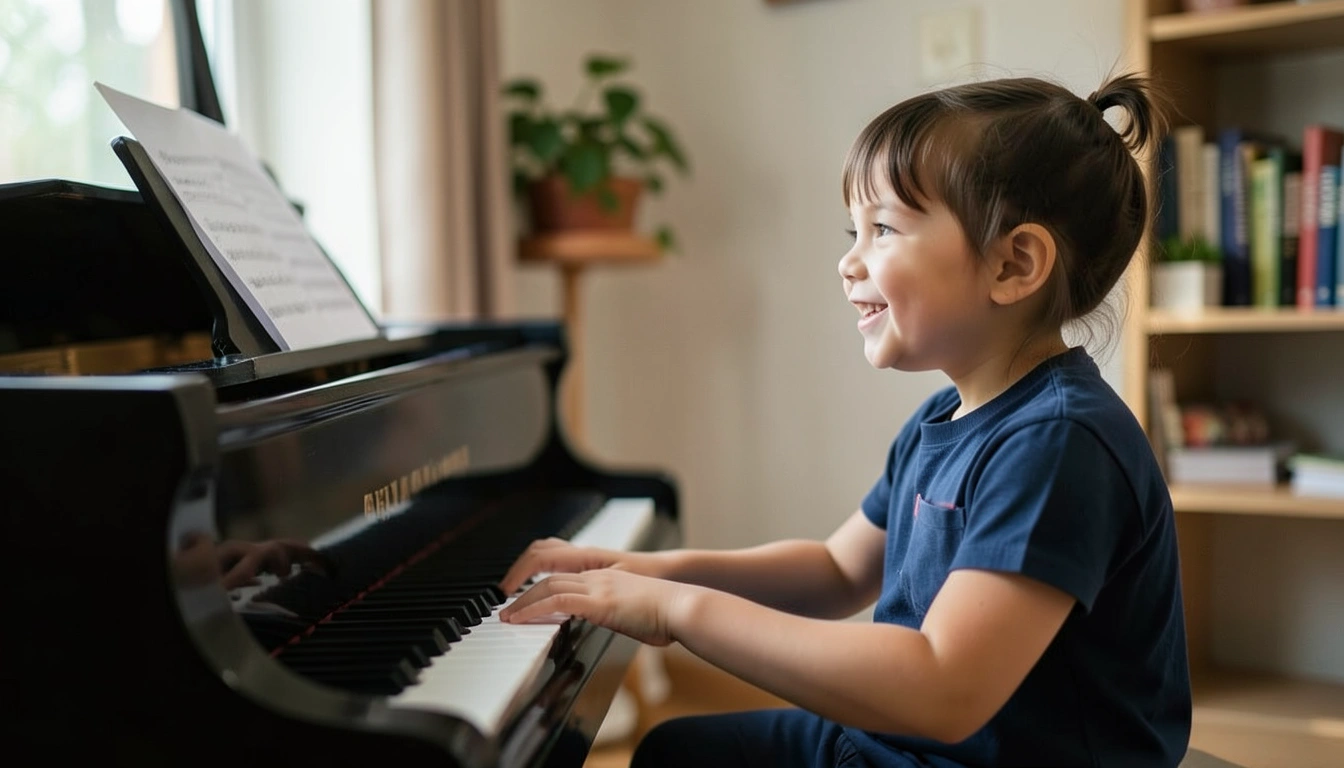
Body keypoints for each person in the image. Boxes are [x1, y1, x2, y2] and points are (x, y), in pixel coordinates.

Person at [499, 73, 1192, 768]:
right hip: (905, 747)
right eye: (852, 231)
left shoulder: (1060, 442)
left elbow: (945, 687)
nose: (847, 262)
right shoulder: (942, 420)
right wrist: (649, 573)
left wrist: (675, 612)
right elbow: (835, 571)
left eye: (883, 228)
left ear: (1013, 263)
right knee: (676, 752)